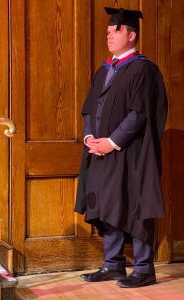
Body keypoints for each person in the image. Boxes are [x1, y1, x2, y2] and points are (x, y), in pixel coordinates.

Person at [74, 7, 168, 288]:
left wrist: (112, 142)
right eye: (107, 31)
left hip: (132, 153)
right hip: (102, 151)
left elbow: (140, 113)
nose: (109, 35)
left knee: (136, 204)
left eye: (115, 31)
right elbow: (90, 108)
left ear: (131, 35)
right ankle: (113, 265)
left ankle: (143, 269)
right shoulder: (104, 70)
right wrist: (90, 138)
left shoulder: (143, 69)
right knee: (108, 203)